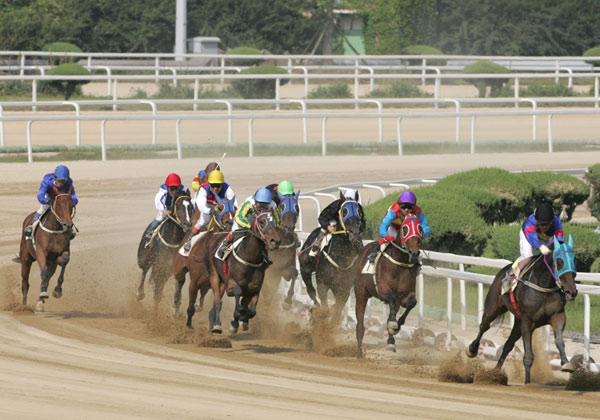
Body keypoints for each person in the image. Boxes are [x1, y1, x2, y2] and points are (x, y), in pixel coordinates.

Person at [216, 187, 279, 264]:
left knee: (265, 236)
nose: (262, 207)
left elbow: (278, 220)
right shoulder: (248, 203)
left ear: (269, 203)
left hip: (262, 223)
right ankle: (224, 245)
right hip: (246, 221)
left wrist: (272, 229)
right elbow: (238, 217)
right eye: (260, 204)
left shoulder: (273, 205)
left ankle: (266, 254)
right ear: (255, 201)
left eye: (265, 205)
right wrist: (249, 227)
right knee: (234, 232)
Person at [367, 190, 430, 263]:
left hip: (407, 230)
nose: (406, 210)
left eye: (409, 207)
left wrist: (420, 235)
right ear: (399, 205)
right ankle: (375, 254)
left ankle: (418, 263)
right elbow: (383, 226)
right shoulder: (394, 210)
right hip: (394, 227)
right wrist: (386, 236)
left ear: (414, 206)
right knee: (387, 241)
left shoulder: (417, 211)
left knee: (414, 244)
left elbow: (425, 227)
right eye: (403, 207)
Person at [184, 169, 237, 252]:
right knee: (204, 221)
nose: (215, 188)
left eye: (218, 186)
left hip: (222, 206)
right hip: (208, 206)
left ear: (222, 184)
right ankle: (189, 240)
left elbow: (234, 204)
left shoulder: (227, 188)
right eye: (213, 185)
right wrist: (210, 211)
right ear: (209, 184)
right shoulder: (204, 189)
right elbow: (201, 205)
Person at [511, 202, 564, 278]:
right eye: (542, 224)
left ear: (552, 221)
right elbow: (532, 237)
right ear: (537, 221)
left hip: (545, 237)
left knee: (550, 257)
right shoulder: (530, 222)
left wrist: (557, 247)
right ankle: (511, 272)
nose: (544, 227)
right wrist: (540, 246)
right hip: (528, 235)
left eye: (547, 224)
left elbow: (559, 236)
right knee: (528, 256)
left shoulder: (556, 221)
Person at [25, 164, 78, 238]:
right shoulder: (47, 181)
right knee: (43, 208)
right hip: (49, 197)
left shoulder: (69, 183)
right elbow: (40, 195)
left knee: (66, 210)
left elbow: (74, 197)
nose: (61, 183)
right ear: (55, 177)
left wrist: (72, 202)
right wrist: (46, 201)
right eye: (60, 181)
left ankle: (70, 228)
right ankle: (31, 225)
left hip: (62, 199)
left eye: (64, 181)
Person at [309, 188, 365, 256]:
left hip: (350, 227)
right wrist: (328, 226)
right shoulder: (337, 204)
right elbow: (322, 217)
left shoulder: (358, 207)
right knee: (333, 223)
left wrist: (359, 229)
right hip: (335, 222)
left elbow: (363, 222)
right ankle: (317, 244)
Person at [142, 173, 186, 244]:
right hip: (165, 208)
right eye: (172, 189)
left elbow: (186, 199)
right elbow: (159, 200)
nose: (174, 191)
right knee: (160, 217)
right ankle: (149, 233)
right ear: (168, 187)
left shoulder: (183, 189)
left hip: (176, 208)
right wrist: (163, 209)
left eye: (176, 189)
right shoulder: (163, 190)